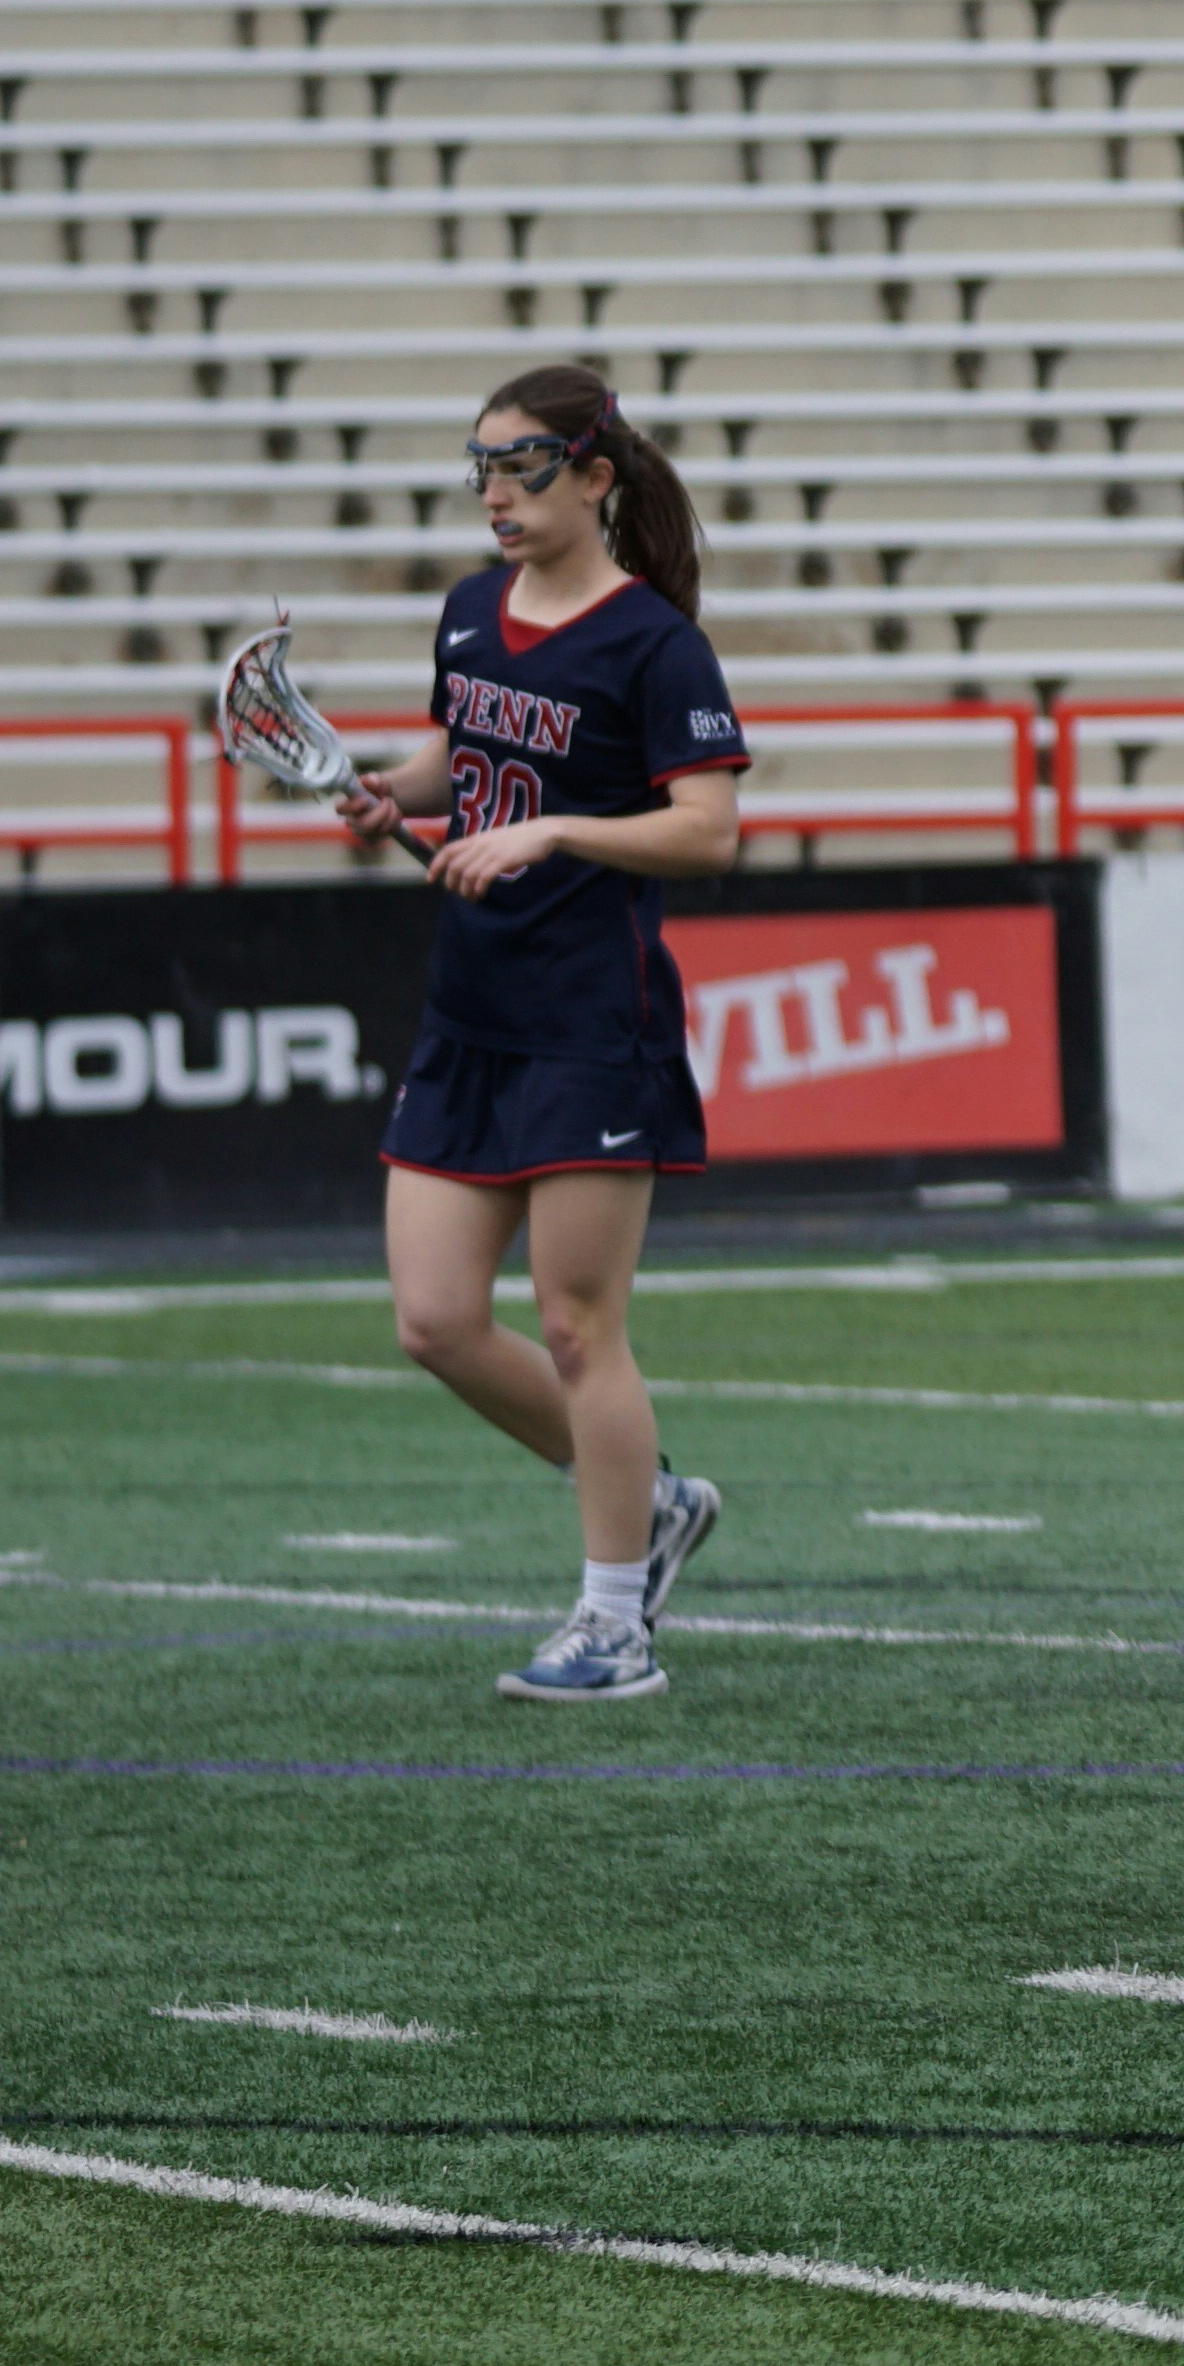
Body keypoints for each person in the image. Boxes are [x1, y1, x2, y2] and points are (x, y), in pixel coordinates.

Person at [343, 364, 750, 1705]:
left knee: (580, 1330)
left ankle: (613, 1624)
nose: (494, 496)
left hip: (595, 1025)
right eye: (479, 469)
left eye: (520, 468)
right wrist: (378, 789)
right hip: (473, 1017)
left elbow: (707, 830)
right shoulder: (469, 614)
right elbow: (457, 759)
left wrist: (556, 828)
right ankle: (654, 1499)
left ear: (593, 475)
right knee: (435, 1320)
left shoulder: (654, 644)